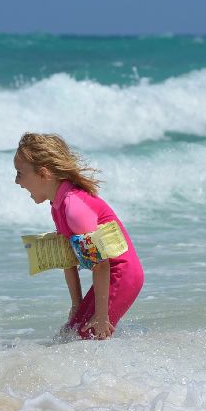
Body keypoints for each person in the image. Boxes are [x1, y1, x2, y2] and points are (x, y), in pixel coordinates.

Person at [14, 133, 144, 340]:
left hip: (120, 274)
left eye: (20, 173)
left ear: (43, 173)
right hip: (108, 275)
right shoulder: (57, 206)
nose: (17, 181)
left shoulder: (74, 208)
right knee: (68, 335)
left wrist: (102, 316)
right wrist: (76, 304)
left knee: (87, 337)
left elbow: (100, 264)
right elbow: (68, 259)